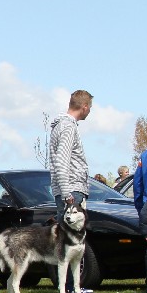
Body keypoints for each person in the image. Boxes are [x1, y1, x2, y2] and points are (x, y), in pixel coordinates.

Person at [48, 89, 92, 221]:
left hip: (67, 189)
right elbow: (61, 160)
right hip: (72, 190)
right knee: (70, 232)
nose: (90, 111)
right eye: (90, 107)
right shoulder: (68, 127)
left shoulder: (60, 126)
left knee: (64, 232)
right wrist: (66, 193)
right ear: (85, 107)